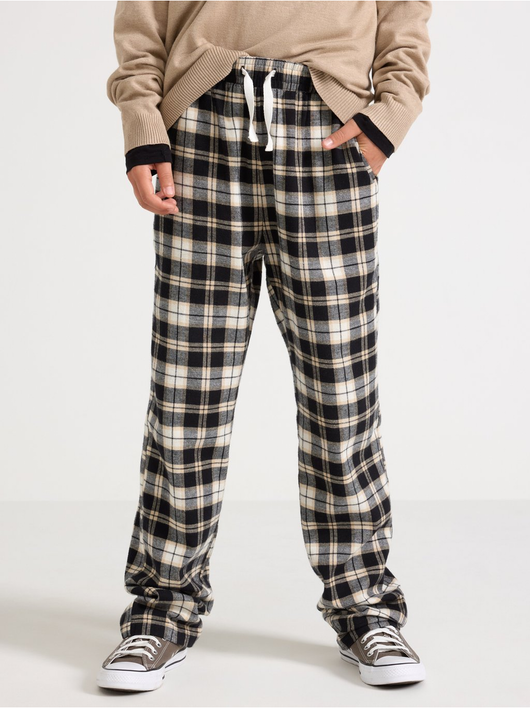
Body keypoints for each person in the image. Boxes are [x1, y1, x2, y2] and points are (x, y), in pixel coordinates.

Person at [98, 0, 432, 692]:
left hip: (327, 126)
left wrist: (392, 110)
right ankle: (162, 607)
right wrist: (143, 124)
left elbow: (405, 11)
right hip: (201, 125)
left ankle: (365, 604)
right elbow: (142, 16)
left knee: (341, 394)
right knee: (186, 396)